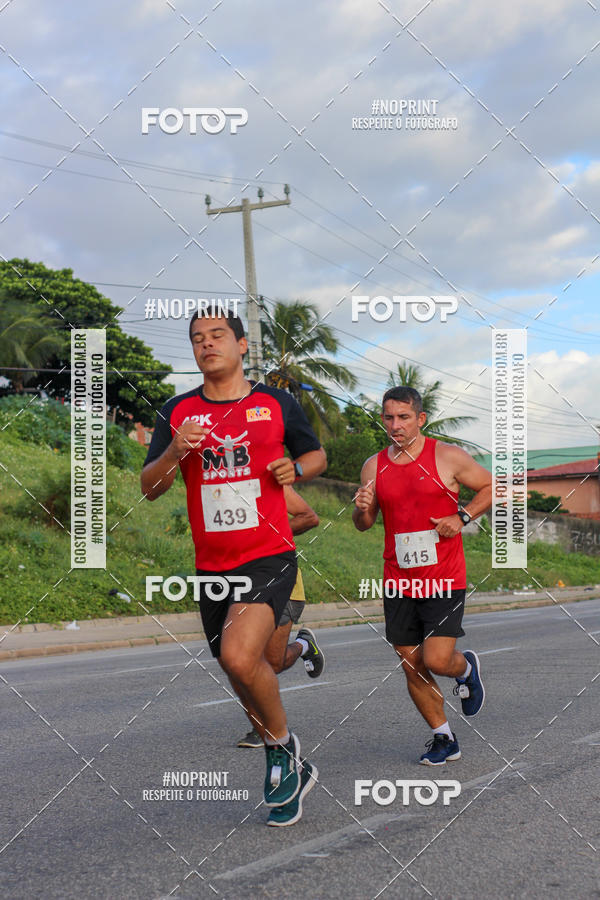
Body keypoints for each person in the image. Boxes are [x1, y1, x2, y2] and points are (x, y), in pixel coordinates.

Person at [141, 310, 327, 825]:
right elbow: (150, 488)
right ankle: (282, 751)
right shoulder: (178, 412)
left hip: (268, 555)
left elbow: (317, 457)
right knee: (245, 667)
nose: (207, 345)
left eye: (218, 336)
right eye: (197, 338)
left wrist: (297, 467)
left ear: (243, 345)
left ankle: (283, 752)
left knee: (239, 657)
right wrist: (176, 450)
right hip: (213, 567)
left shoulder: (274, 401)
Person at [352, 386, 492, 765]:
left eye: (403, 417)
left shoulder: (447, 456)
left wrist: (461, 517)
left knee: (436, 659)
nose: (395, 425)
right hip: (398, 577)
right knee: (409, 661)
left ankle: (464, 669)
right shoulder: (373, 465)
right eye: (388, 418)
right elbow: (364, 524)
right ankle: (443, 737)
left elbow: (492, 487)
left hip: (444, 576)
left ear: (421, 419)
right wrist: (362, 508)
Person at [237, 485, 325, 750]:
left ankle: (303, 646)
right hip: (242, 585)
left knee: (272, 663)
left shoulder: (269, 483)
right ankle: (259, 727)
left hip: (283, 586)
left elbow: (309, 517)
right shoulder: (214, 490)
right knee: (243, 661)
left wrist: (265, 533)